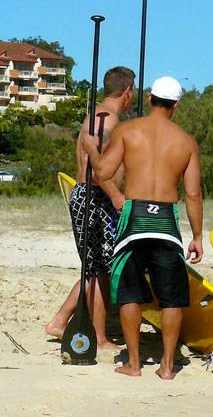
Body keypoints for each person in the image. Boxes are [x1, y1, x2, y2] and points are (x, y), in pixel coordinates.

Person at [83, 76, 202, 379]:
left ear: (149, 98)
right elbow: (192, 194)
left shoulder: (127, 130)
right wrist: (198, 236)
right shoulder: (186, 142)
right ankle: (167, 366)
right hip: (165, 220)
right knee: (171, 297)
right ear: (176, 105)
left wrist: (92, 148)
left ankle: (134, 364)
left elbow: (102, 173)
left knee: (129, 293)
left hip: (134, 217)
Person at [45, 66, 135, 350]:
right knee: (99, 270)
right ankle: (99, 336)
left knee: (95, 268)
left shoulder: (97, 116)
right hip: (96, 197)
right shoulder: (106, 122)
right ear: (128, 92)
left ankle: (60, 321)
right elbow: (94, 170)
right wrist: (117, 197)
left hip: (91, 197)